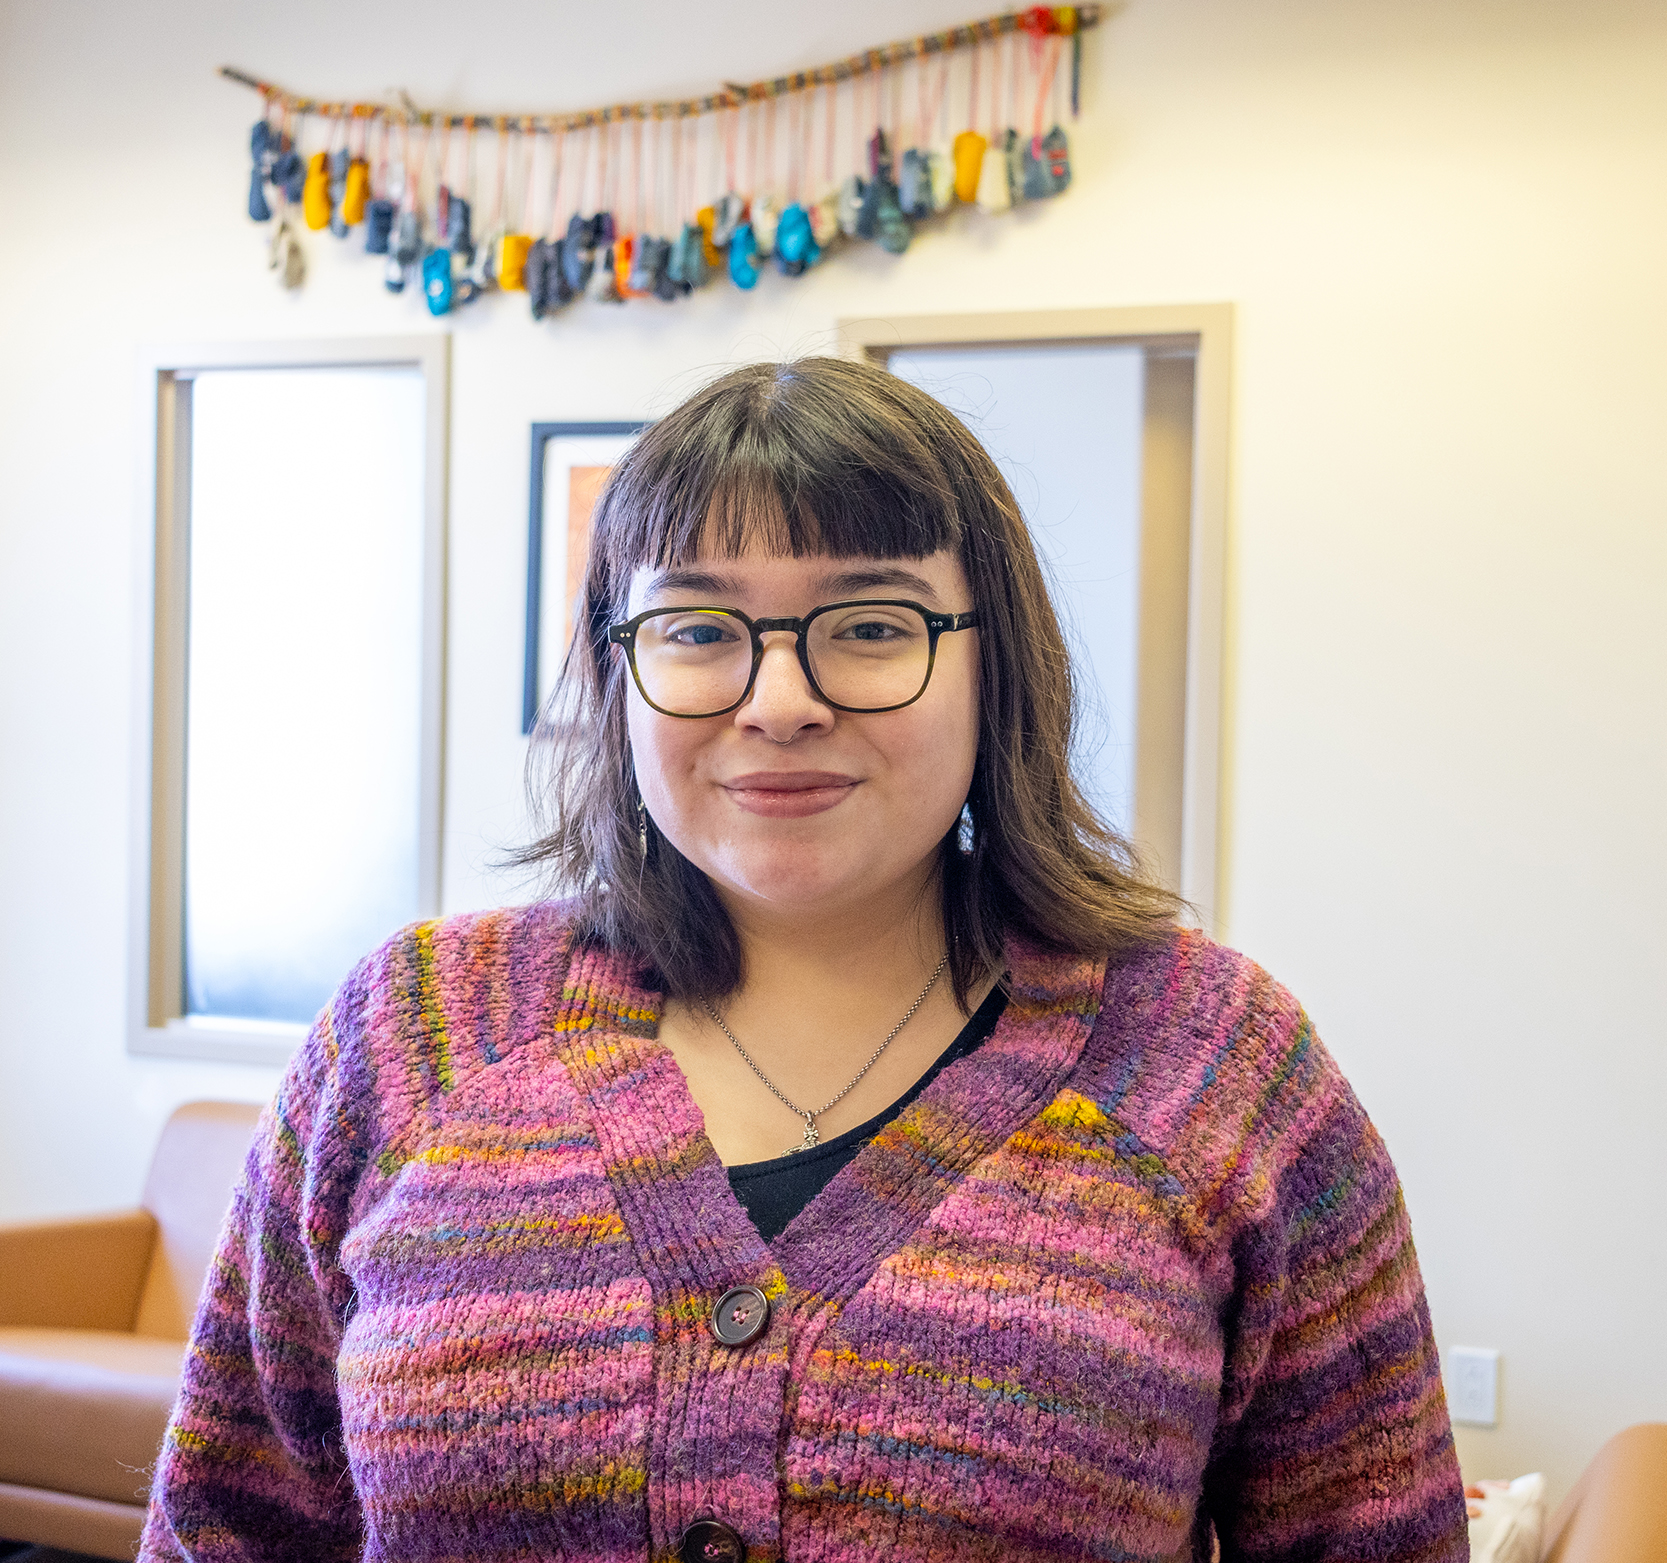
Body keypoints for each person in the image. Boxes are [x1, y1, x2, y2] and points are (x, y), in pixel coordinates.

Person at [141, 358, 1468, 1563]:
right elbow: (229, 1533)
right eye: (701, 631)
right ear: (620, 675)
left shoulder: (1213, 1065)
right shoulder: (414, 1034)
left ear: (993, 668)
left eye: (873, 626)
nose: (780, 703)